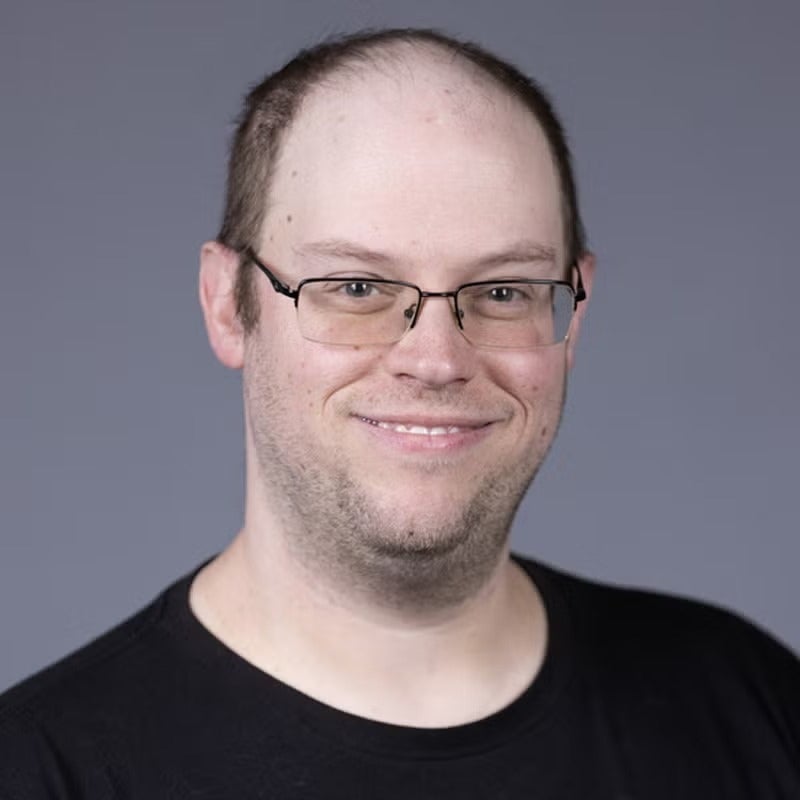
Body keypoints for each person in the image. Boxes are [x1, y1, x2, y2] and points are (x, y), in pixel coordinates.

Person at [1, 27, 798, 799]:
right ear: (225, 304)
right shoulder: (42, 771)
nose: (436, 359)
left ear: (574, 314)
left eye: (503, 291)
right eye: (356, 287)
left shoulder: (749, 703)